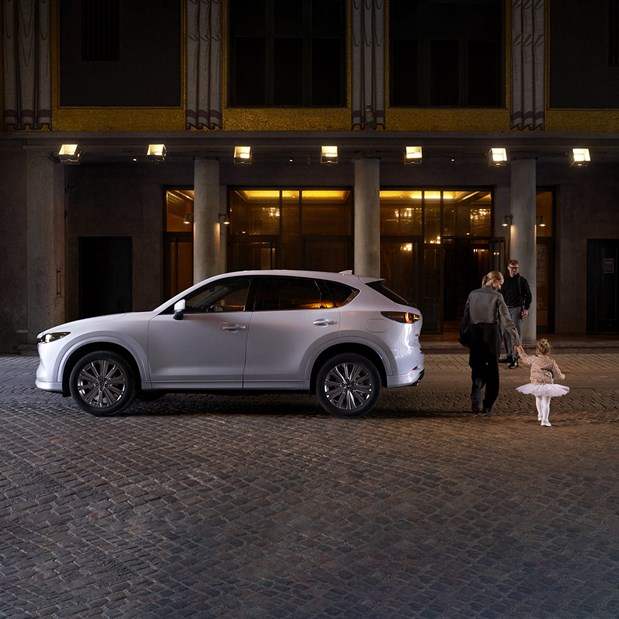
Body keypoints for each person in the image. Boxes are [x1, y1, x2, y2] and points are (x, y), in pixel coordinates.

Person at [460, 271, 523, 414]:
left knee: (477, 366)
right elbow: (507, 320)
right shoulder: (497, 296)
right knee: (493, 369)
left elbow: (465, 317)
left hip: (475, 333)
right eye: (500, 284)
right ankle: (488, 405)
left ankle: (475, 400)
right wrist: (516, 339)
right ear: (494, 281)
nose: (500, 287)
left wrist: (462, 334)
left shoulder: (473, 294)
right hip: (492, 334)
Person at [516, 338, 569, 427]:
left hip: (536, 383)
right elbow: (557, 374)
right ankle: (545, 420)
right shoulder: (551, 362)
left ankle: (540, 415)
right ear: (549, 351)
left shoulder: (534, 359)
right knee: (546, 402)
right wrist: (562, 376)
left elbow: (525, 359)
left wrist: (520, 351)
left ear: (537, 350)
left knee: (538, 398)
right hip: (547, 384)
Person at [499, 259, 532, 369]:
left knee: (516, 334)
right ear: (508, 268)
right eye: (512, 268)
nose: (514, 270)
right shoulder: (503, 280)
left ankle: (515, 358)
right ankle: (509, 355)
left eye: (516, 268)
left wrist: (526, 308)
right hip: (505, 309)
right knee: (505, 333)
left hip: (517, 309)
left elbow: (528, 295)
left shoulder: (522, 281)